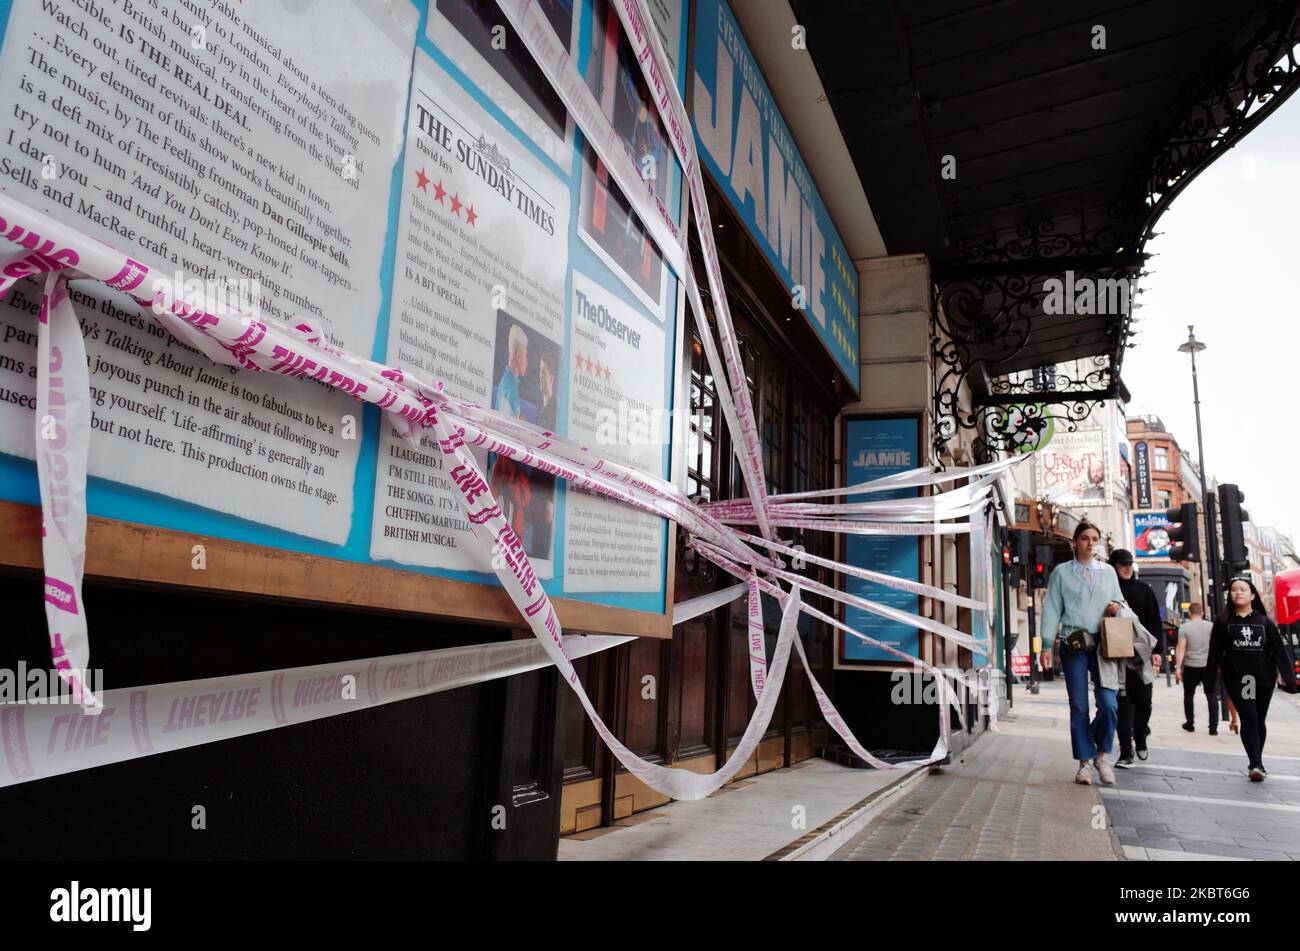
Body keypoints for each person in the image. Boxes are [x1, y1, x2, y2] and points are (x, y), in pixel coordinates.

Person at [1040, 522, 1128, 785]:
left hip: (1104, 645)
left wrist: (1116, 606)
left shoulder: (1109, 572)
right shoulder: (1061, 573)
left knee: (1109, 704)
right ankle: (1084, 764)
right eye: (1085, 539)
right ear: (1075, 542)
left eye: (1095, 539)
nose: (1091, 544)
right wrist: (1045, 645)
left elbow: (1121, 603)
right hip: (1073, 644)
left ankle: (1101, 755)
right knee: (1079, 706)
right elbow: (1052, 609)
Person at [1205, 577, 1299, 781]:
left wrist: (1290, 679)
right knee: (1250, 717)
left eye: (1243, 589)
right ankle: (1255, 764)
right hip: (1239, 678)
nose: (1237, 593)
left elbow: (1279, 652)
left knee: (1259, 719)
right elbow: (1214, 653)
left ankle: (1258, 760)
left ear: (1253, 595)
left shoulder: (1264, 622)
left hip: (1263, 678)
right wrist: (1209, 682)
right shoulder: (1224, 622)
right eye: (1233, 590)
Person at [1109, 550, 1162, 767]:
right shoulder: (1107, 591)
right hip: (1116, 656)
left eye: (1129, 563)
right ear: (1114, 566)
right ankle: (1125, 752)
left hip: (1141, 655)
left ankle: (1140, 737)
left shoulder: (1144, 590)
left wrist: (1158, 651)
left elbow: (1154, 621)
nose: (1127, 567)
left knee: (1144, 703)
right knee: (1121, 704)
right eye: (1122, 564)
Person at [1176, 603, 1218, 734]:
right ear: (1202, 613)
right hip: (1208, 666)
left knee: (1188, 694)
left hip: (1191, 665)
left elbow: (1181, 648)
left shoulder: (1184, 627)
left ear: (1189, 614)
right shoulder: (1211, 626)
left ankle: (1190, 723)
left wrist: (1178, 667)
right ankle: (1213, 728)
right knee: (1211, 695)